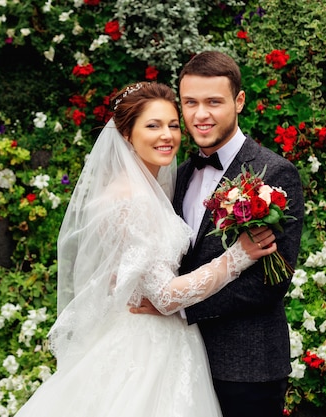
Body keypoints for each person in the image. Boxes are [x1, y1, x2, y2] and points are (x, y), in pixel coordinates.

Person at [14, 81, 278, 417]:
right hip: (145, 349)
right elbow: (165, 296)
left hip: (168, 342)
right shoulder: (130, 198)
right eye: (152, 126)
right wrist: (238, 256)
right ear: (126, 134)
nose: (166, 135)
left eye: (171, 125)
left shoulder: (158, 187)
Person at [131, 51, 305, 417]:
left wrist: (177, 309)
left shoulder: (274, 173)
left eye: (214, 102)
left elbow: (269, 283)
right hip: (175, 362)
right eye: (190, 103)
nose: (200, 115)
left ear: (239, 101)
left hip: (246, 365)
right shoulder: (175, 174)